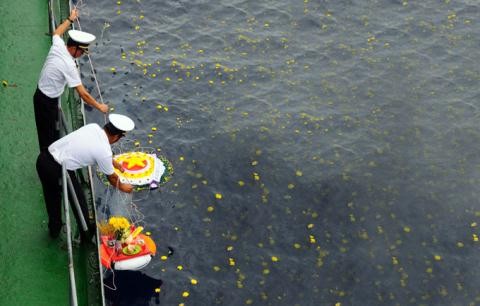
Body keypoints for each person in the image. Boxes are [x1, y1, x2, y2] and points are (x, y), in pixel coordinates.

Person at [36, 114, 135, 239]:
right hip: (57, 169)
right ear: (116, 137)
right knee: (78, 200)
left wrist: (114, 163)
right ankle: (86, 235)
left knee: (52, 197)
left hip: (44, 158)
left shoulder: (93, 127)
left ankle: (54, 229)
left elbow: (94, 148)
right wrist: (126, 188)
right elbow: (113, 179)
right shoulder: (104, 151)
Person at [34, 8, 109, 152]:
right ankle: (50, 167)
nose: (82, 54)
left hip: (40, 95)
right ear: (74, 48)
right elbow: (83, 94)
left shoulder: (58, 45)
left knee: (49, 132)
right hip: (47, 103)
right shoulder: (69, 65)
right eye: (81, 51)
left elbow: (57, 32)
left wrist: (70, 19)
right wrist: (100, 107)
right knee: (49, 139)